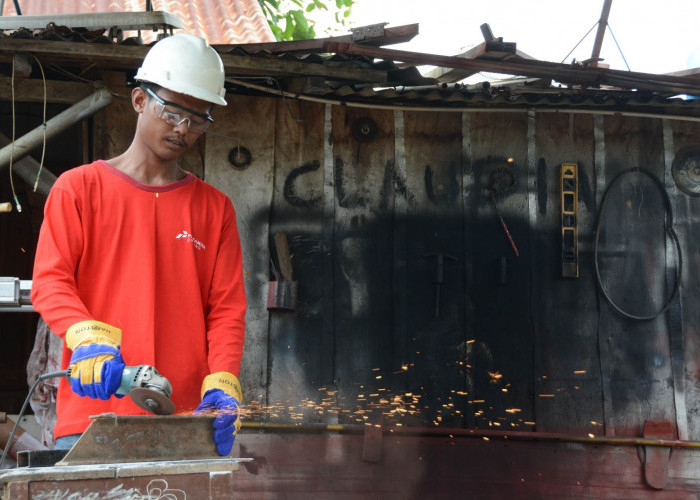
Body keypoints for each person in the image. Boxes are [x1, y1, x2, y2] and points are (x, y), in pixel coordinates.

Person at [30, 33, 246, 456]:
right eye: (172, 110)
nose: (182, 128)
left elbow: (226, 311)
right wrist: (90, 340)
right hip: (94, 414)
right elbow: (51, 282)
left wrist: (223, 383)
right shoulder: (79, 188)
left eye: (198, 118)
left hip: (185, 421)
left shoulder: (214, 209)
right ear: (138, 100)